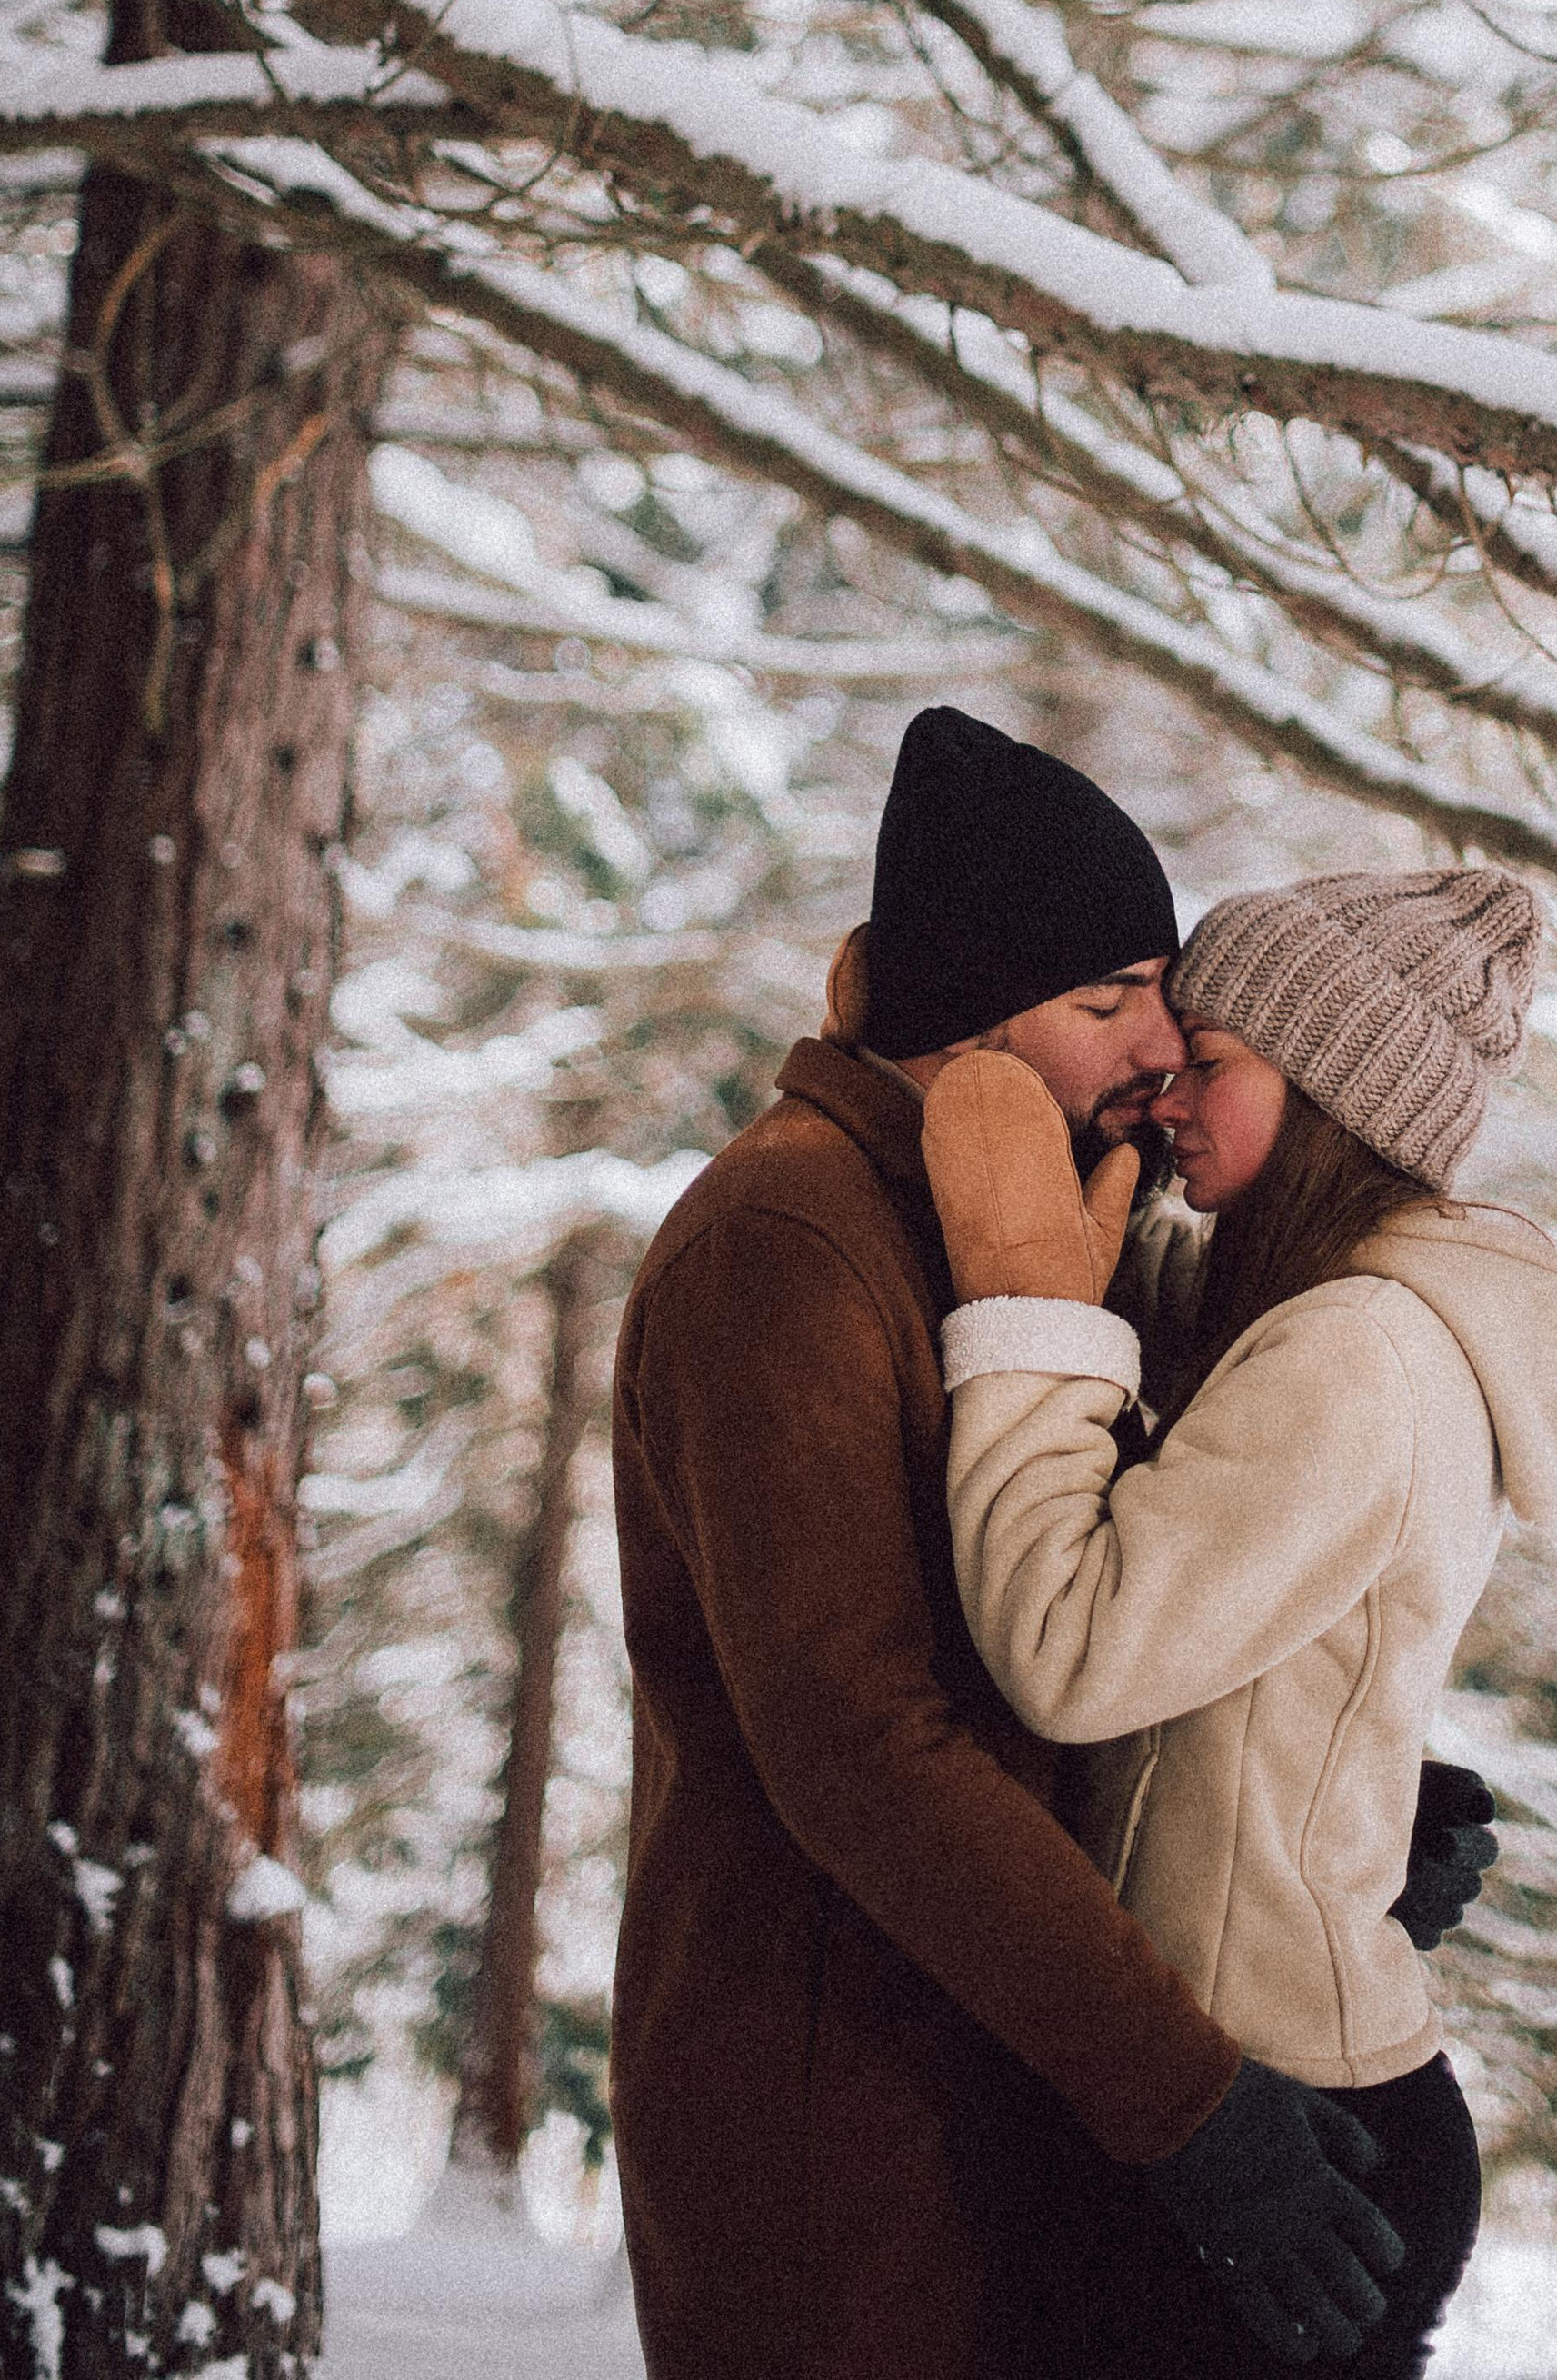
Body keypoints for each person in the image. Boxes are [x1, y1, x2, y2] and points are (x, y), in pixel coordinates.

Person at [610, 713, 1451, 2380]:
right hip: (833, 2122)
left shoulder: (1005, 1226)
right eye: (1107, 1000)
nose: (1165, 1044)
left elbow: (1084, 1605)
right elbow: (860, 1742)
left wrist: (1317, 1798)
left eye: (1163, 992)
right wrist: (1188, 2099)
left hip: (1001, 2081)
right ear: (964, 1015)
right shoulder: (786, 1242)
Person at [922, 868, 1557, 2377]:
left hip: (1282, 2141)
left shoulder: (1355, 1354)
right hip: (1261, 2092)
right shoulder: (1317, 1315)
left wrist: (1027, 1316)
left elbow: (1073, 1651)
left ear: (1333, 1094)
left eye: (1211, 1062)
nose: (1167, 1094)